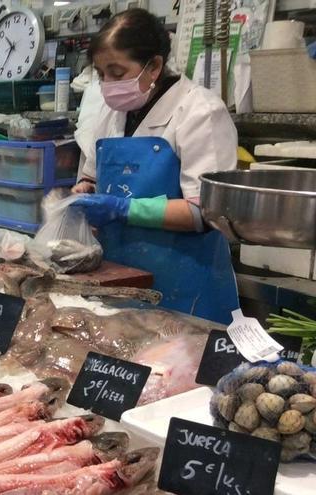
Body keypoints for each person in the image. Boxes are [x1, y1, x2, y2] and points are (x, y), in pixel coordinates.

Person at [70, 9, 239, 324]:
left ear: (155, 66)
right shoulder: (113, 113)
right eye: (101, 73)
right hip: (119, 277)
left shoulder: (200, 112)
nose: (107, 84)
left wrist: (123, 209)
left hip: (186, 286)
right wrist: (84, 192)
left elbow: (207, 213)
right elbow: (92, 176)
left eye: (117, 73)